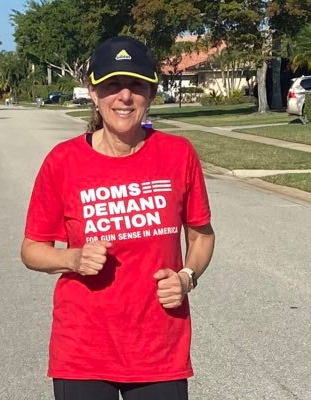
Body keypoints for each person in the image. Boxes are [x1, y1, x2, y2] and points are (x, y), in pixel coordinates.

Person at [21, 35, 215, 400]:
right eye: (112, 85)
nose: (124, 97)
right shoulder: (62, 162)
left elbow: (202, 235)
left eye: (135, 85)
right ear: (93, 94)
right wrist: (72, 258)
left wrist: (187, 278)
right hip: (83, 351)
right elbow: (32, 249)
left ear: (151, 94)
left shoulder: (178, 155)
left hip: (159, 349)